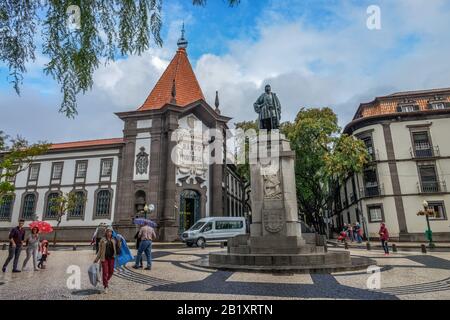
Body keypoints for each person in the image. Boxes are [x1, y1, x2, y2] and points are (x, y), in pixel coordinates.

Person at [94, 226, 121, 293]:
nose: (109, 233)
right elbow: (100, 251)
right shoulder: (102, 240)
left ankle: (105, 280)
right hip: (104, 258)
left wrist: (119, 241)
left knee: (111, 272)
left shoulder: (114, 239)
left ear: (112, 232)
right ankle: (106, 286)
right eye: (108, 231)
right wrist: (96, 259)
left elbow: (118, 248)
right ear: (106, 232)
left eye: (110, 232)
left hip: (112, 258)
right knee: (105, 272)